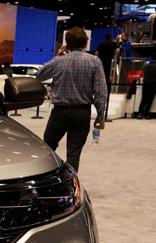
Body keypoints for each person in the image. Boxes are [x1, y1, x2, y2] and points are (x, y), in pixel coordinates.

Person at [36, 27, 107, 172]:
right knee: (74, 153)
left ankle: (49, 179)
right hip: (82, 113)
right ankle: (70, 184)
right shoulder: (95, 61)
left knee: (48, 148)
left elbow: (39, 75)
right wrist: (100, 115)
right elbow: (100, 91)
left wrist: (57, 56)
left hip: (59, 113)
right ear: (86, 43)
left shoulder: (58, 61)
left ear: (66, 44)